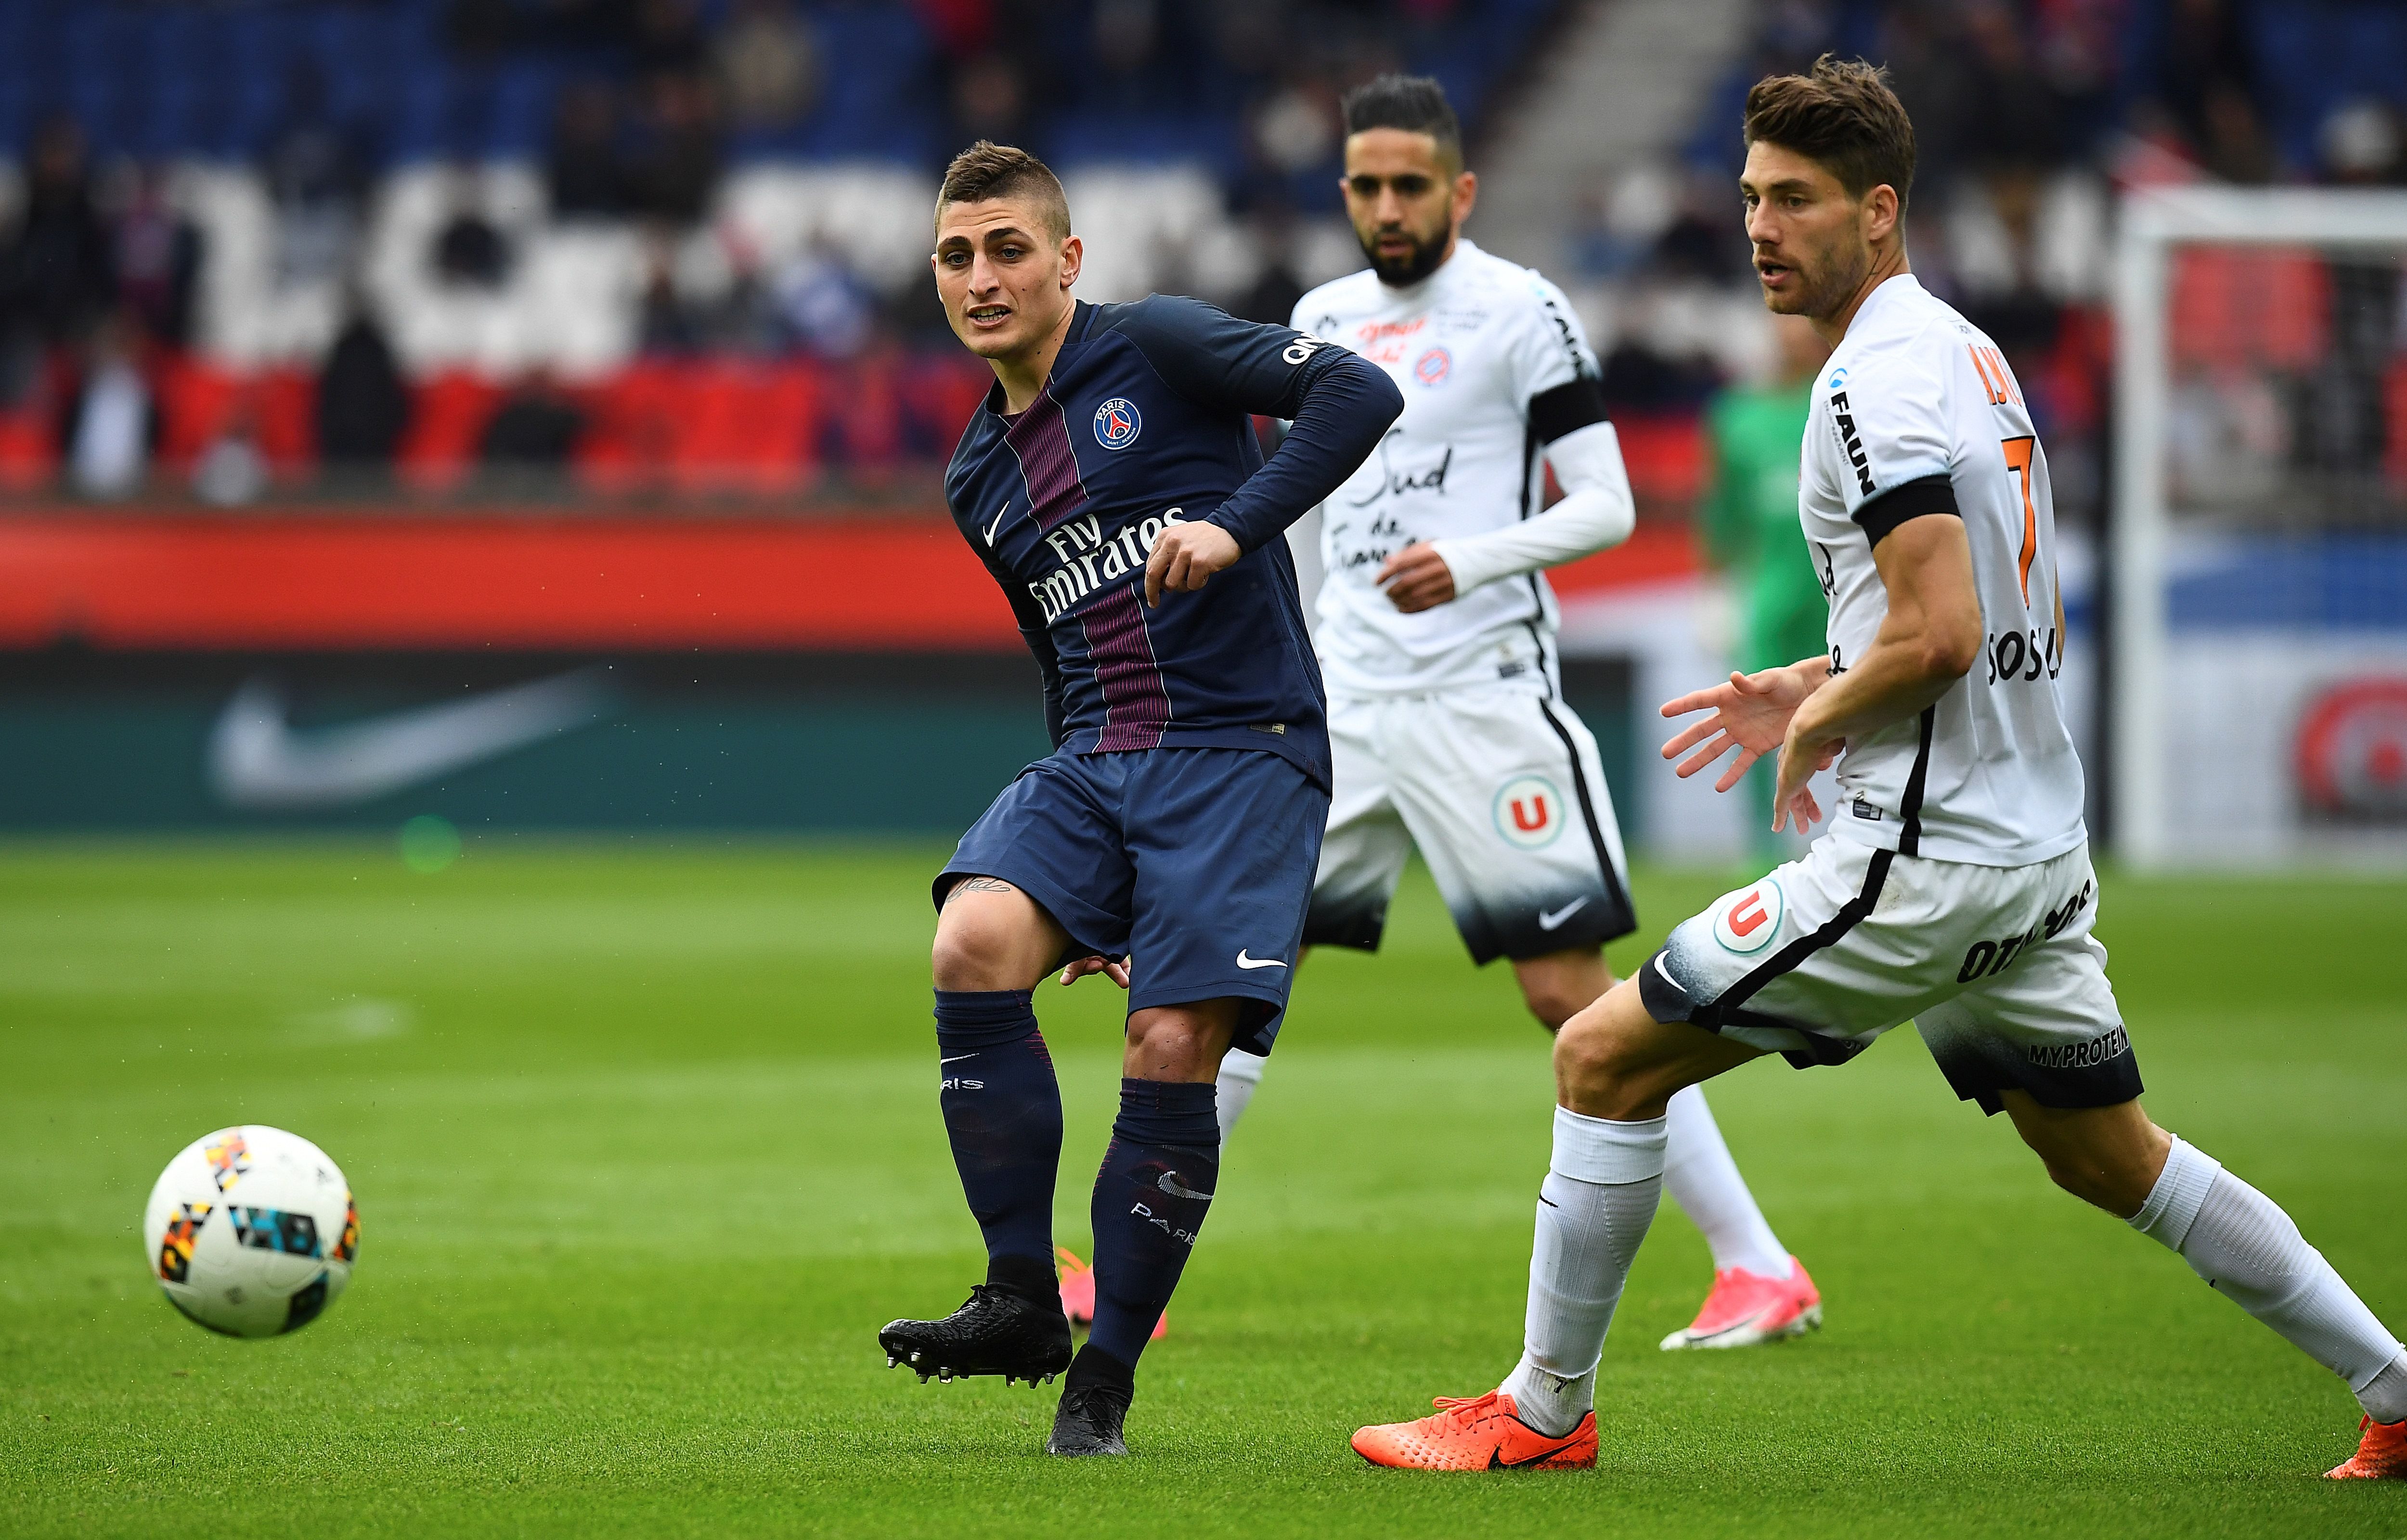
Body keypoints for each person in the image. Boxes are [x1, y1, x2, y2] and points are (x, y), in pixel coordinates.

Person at [1351, 56, 2407, 1478]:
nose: (1760, 229)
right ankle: (2394, 1386)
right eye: (1747, 198)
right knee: (2108, 1156)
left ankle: (1541, 1413)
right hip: (2027, 850)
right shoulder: (1960, 349)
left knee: (1600, 1053)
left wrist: (1817, 719)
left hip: (1923, 862)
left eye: (1794, 201)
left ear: (1880, 209)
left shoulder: (1869, 388)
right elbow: (1955, 612)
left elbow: (1941, 630)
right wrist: (1811, 680)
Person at [1207, 74, 1822, 1353]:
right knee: (1235, 979)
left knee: (1569, 995)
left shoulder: (1519, 313)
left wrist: (1473, 560)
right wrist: (1297, 668)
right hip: (1347, 709)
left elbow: (1605, 505)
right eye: (1366, 186)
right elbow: (1310, 515)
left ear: (1461, 190)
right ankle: (1127, 1264)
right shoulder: (1319, 320)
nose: (1387, 207)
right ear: (1344, 193)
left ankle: (1758, 1264)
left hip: (1484, 703)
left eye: (1410, 185)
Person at [876, 141, 1402, 1458]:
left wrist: (1235, 521)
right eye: (957, 255)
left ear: (1067, 259)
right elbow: (1061, 659)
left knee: (1170, 1047)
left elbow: (1357, 392)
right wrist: (1089, 893)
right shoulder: (974, 481)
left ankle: (1101, 1381)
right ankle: (1016, 1298)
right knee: (973, 940)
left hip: (1241, 750)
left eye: (1008, 249)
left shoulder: (1159, 347)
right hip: (1097, 755)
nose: (983, 277)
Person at [1698, 312, 1830, 854]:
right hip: (1770, 592)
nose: (1793, 334)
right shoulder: (1736, 417)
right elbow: (1720, 511)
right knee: (1757, 710)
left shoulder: (1840, 400)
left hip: (1839, 592)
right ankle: (1765, 845)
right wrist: (1713, 590)